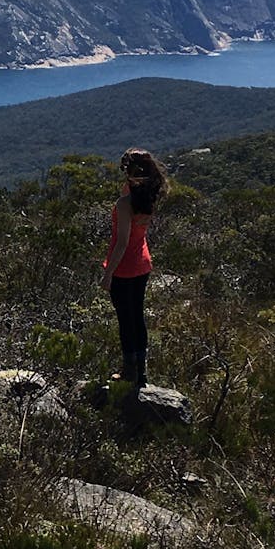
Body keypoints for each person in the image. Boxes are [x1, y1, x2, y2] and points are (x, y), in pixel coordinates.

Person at [101, 148, 169, 386]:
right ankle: (141, 372)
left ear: (128, 173)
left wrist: (108, 274)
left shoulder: (124, 204)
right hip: (142, 264)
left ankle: (129, 373)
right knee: (138, 318)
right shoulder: (147, 198)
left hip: (124, 268)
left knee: (125, 320)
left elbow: (121, 242)